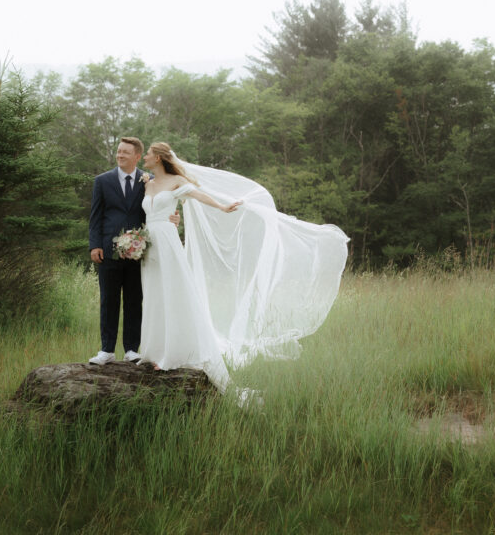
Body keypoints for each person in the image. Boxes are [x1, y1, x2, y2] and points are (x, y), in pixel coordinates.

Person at [137, 142, 350, 392]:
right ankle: (153, 350)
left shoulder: (174, 180)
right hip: (150, 245)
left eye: (149, 154)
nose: (145, 158)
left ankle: (172, 353)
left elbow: (198, 195)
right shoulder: (148, 183)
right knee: (153, 294)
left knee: (173, 293)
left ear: (160, 158)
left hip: (169, 245)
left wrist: (222, 206)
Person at [87, 137, 178, 365]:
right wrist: (95, 244)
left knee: (134, 300)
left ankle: (131, 349)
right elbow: (95, 217)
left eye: (125, 152)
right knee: (108, 300)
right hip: (108, 250)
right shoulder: (102, 181)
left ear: (137, 156)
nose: (120, 155)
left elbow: (159, 207)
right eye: (118, 151)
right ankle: (106, 350)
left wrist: (173, 218)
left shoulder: (148, 181)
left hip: (139, 252)